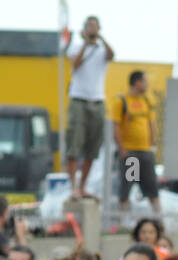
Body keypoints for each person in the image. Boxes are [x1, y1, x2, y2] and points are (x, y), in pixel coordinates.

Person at [64, 16, 114, 198]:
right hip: (78, 99)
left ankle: (83, 185)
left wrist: (99, 38)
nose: (92, 29)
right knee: (74, 145)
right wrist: (86, 43)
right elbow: (75, 64)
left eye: (95, 26)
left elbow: (111, 55)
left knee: (92, 147)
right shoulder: (76, 47)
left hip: (97, 100)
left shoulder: (102, 49)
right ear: (83, 29)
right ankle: (73, 187)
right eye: (89, 26)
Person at [111, 70, 161, 215]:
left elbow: (151, 123)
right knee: (128, 187)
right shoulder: (122, 101)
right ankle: (124, 219)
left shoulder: (146, 100)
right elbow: (116, 126)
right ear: (137, 82)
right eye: (145, 81)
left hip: (145, 151)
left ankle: (158, 218)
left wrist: (153, 143)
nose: (147, 84)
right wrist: (122, 149)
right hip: (131, 152)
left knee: (152, 187)